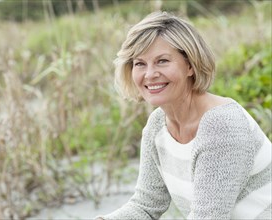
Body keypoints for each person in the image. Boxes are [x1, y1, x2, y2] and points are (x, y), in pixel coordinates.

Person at [96, 11, 272, 219]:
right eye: (140, 63)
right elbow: (145, 205)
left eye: (162, 61)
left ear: (190, 65)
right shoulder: (157, 125)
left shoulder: (222, 126)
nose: (150, 74)